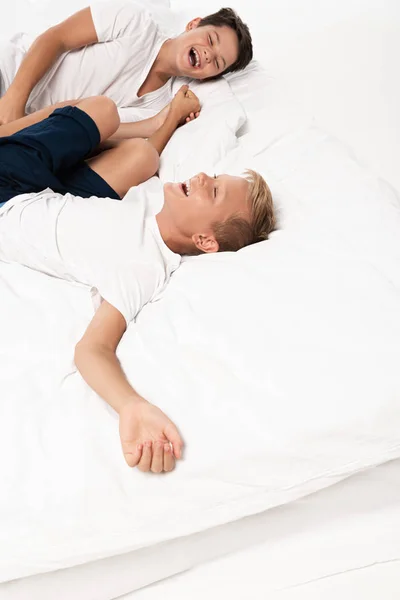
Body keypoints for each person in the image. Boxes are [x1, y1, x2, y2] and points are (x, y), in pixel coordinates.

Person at [0, 96, 275, 475]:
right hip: (41, 188)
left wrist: (130, 404)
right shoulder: (155, 197)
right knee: (130, 141)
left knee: (102, 113)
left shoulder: (144, 266)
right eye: (212, 177)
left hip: (8, 197)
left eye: (212, 191)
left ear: (205, 241)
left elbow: (93, 349)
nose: (200, 177)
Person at [0, 1, 253, 134]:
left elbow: (101, 133)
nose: (209, 55)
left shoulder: (159, 106)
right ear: (193, 24)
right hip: (10, 77)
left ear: (211, 77)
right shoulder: (135, 22)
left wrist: (160, 123)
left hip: (27, 132)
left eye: (217, 63)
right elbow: (56, 38)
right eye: (210, 39)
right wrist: (13, 101)